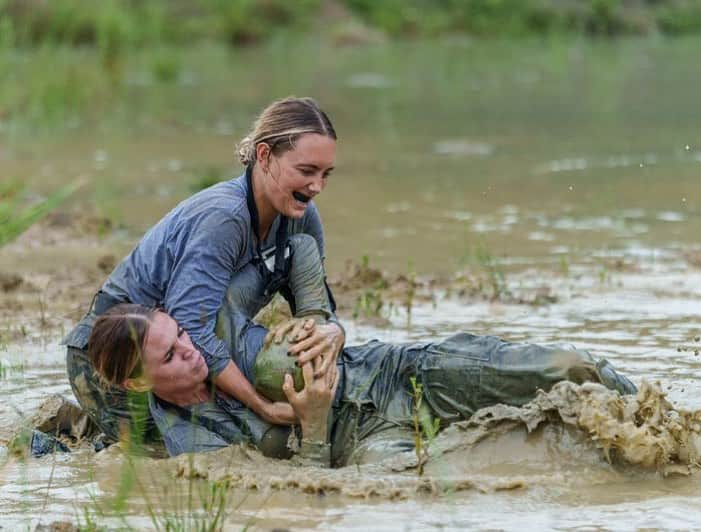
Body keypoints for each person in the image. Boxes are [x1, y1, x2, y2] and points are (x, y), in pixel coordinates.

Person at [87, 233, 637, 466]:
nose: (192, 351)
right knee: (418, 501)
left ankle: (665, 423)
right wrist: (317, 422)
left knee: (572, 368)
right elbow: (302, 487)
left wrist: (318, 320)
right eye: (171, 357)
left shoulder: (215, 319)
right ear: (138, 383)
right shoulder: (192, 439)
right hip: (363, 448)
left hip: (395, 374)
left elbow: (297, 247)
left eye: (181, 335)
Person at [63, 97, 346, 442]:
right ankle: (68, 438)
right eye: (305, 171)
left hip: (183, 349)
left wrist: (333, 331)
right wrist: (261, 405)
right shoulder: (223, 218)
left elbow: (316, 302)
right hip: (118, 362)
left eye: (325, 174)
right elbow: (192, 327)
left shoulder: (301, 216)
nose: (316, 186)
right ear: (264, 156)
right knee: (228, 450)